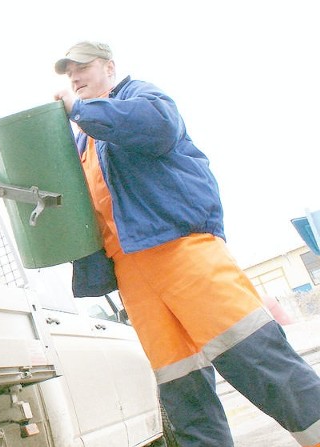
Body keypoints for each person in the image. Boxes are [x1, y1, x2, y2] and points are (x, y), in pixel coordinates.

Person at [53, 41, 320, 447]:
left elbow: (154, 127)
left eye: (83, 67)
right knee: (182, 392)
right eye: (68, 71)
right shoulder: (84, 140)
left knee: (259, 360)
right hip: (133, 276)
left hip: (182, 253)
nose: (74, 76)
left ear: (110, 66)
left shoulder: (142, 97)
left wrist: (79, 109)